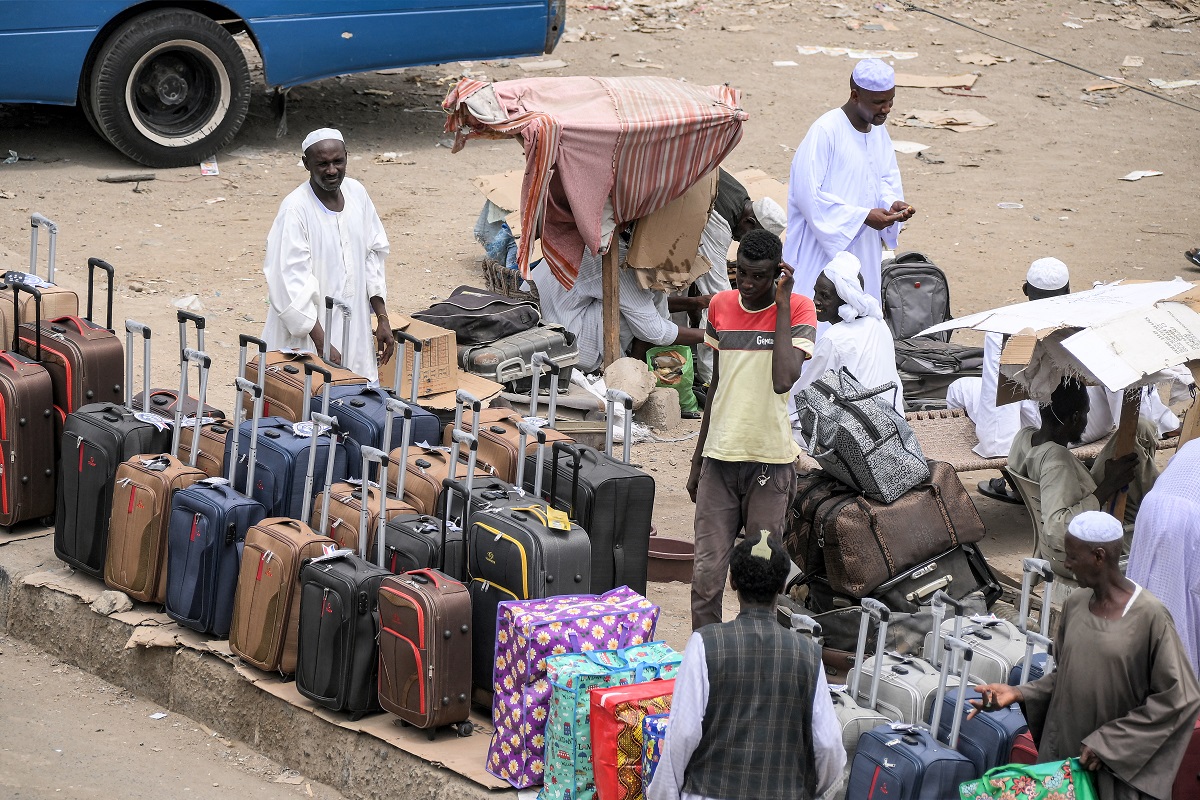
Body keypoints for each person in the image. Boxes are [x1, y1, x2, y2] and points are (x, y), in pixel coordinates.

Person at [970, 511, 1200, 800]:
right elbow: (1065, 677)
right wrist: (1018, 693)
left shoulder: (1150, 617)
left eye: (1073, 556)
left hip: (1115, 773)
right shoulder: (1075, 605)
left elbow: (1180, 697)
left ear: (1099, 556)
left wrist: (1110, 744)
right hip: (1066, 766)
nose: (1066, 564)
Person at [946, 257, 1179, 502]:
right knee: (1116, 360)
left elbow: (999, 407)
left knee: (959, 388)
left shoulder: (1005, 327)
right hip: (1091, 423)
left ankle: (1014, 484)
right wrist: (1153, 422)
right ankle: (1158, 422)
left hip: (1046, 429)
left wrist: (1010, 456)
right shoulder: (1088, 317)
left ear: (1025, 290)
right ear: (1069, 290)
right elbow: (1120, 381)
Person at [647, 534, 846, 800]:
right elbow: (829, 746)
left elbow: (683, 734)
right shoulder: (808, 654)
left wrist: (662, 795)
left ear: (732, 582)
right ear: (783, 586)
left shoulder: (704, 644)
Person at [686, 229, 816, 630]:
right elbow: (717, 388)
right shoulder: (721, 306)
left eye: (758, 275)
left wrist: (779, 306)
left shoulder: (798, 309)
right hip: (719, 463)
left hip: (770, 465)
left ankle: (755, 652)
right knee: (707, 576)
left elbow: (783, 378)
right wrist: (697, 459)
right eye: (740, 273)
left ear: (778, 273)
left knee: (760, 578)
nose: (745, 283)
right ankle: (705, 660)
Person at [262, 127, 394, 381]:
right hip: (311, 335)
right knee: (309, 401)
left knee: (356, 400)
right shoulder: (295, 209)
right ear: (306, 164)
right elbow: (289, 282)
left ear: (346, 157)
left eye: (337, 162)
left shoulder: (357, 194)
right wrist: (322, 343)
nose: (332, 170)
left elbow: (372, 256)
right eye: (322, 164)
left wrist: (382, 318)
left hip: (354, 326)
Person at [783, 58, 915, 310]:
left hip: (864, 248)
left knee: (861, 321)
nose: (886, 109)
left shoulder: (879, 132)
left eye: (890, 101)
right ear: (855, 96)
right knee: (818, 325)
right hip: (821, 251)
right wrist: (863, 216)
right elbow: (808, 197)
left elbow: (886, 179)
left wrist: (891, 205)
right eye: (878, 102)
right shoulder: (826, 131)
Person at [1007, 379, 1158, 578]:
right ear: (1075, 418)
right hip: (1092, 543)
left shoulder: (1024, 437)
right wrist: (1108, 485)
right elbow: (1057, 530)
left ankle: (1153, 495)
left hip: (1082, 499)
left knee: (1139, 428)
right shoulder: (1057, 461)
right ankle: (1162, 506)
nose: (1087, 419)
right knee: (1161, 528)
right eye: (1086, 413)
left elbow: (1018, 490)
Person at [530, 234, 706, 374]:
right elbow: (654, 331)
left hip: (547, 320)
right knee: (636, 318)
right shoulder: (620, 261)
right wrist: (710, 335)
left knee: (645, 301)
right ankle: (630, 372)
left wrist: (694, 303)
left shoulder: (604, 240)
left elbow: (645, 304)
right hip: (562, 342)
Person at [792, 251, 904, 426]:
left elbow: (803, 394)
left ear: (845, 298)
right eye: (816, 293)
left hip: (860, 436)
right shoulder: (878, 322)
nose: (816, 301)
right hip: (894, 424)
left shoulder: (833, 338)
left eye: (825, 296)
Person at [1127, 438, 1200, 679]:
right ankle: (1177, 687)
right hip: (1188, 521)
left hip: (1153, 509)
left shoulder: (1193, 445)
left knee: (1147, 591)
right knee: (1185, 602)